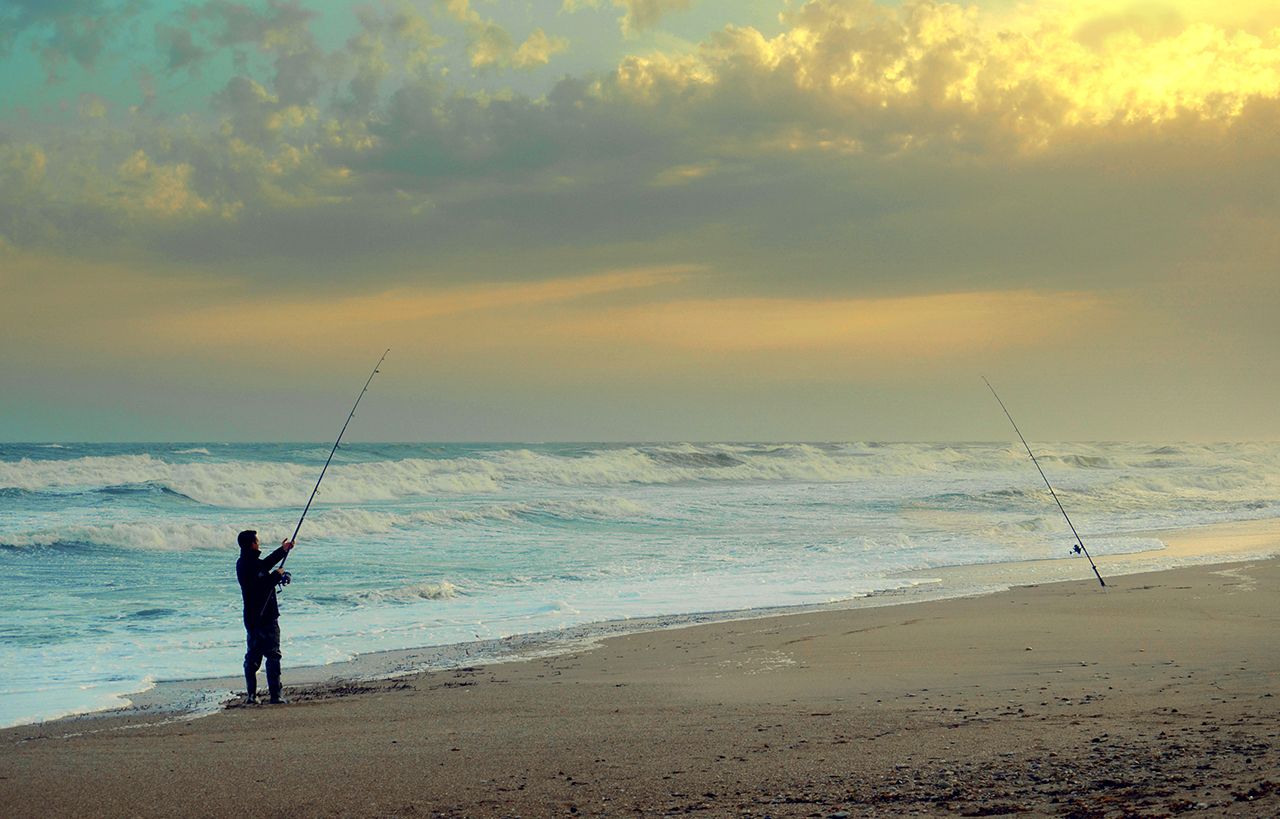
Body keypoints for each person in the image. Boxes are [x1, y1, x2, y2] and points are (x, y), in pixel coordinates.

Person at [236, 530, 295, 704]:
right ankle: (276, 695)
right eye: (257, 541)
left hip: (252, 618)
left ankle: (251, 696)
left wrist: (282, 550)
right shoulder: (250, 565)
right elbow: (263, 585)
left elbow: (264, 566)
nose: (259, 543)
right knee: (273, 655)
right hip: (266, 617)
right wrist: (277, 575)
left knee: (253, 656)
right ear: (253, 544)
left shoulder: (244, 562)